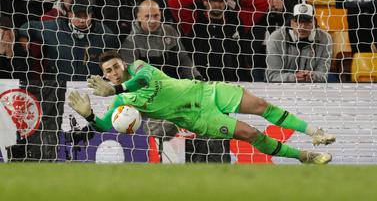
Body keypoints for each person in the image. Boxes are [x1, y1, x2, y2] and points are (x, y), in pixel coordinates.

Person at [66, 50, 335, 164]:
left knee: (260, 104)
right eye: (108, 71)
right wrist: (88, 114)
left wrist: (116, 88)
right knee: (251, 134)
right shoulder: (121, 102)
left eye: (115, 66)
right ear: (104, 75)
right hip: (198, 118)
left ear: (122, 64)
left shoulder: (136, 68)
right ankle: (303, 156)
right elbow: (104, 126)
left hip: (206, 91)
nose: (113, 72)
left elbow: (143, 80)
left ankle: (314, 132)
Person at [266, 2, 332, 83]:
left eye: (307, 22)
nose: (302, 27)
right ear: (291, 22)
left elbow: (323, 75)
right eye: (298, 21)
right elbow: (273, 76)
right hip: (283, 88)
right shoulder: (276, 38)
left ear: (314, 23)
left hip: (312, 88)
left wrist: (312, 76)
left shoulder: (324, 38)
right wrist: (294, 77)